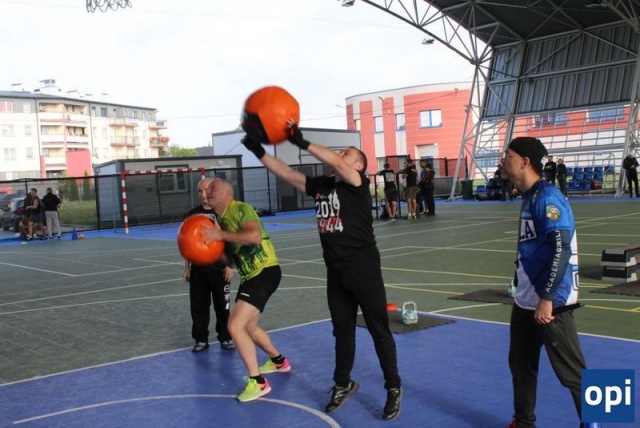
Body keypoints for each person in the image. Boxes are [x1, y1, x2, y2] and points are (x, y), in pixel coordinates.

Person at [241, 126, 402, 421]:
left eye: (347, 153)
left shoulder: (357, 183)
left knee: (379, 329)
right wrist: (258, 150)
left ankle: (393, 387)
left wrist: (299, 140)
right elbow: (286, 173)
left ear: (359, 166)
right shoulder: (322, 185)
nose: (340, 155)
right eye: (341, 152)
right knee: (342, 331)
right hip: (335, 271)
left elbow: (338, 163)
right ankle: (343, 383)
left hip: (363, 268)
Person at [501, 137, 588, 428]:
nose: (503, 160)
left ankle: (599, 423)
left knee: (575, 373)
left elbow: (561, 249)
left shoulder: (548, 197)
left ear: (525, 161)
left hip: (552, 302)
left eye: (508, 155)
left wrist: (547, 297)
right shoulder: (530, 196)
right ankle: (523, 422)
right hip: (526, 300)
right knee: (521, 365)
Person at [205, 178, 290, 403]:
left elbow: (254, 237)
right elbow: (230, 259)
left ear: (227, 194)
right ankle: (279, 361)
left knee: (235, 326)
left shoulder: (241, 209)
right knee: (249, 327)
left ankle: (258, 382)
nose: (207, 191)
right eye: (206, 189)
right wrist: (208, 250)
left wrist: (220, 236)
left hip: (265, 271)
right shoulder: (220, 221)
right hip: (251, 276)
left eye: (213, 188)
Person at [183, 178, 235, 353]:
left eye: (207, 190)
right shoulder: (192, 214)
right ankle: (200, 339)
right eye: (200, 191)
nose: (203, 194)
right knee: (198, 306)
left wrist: (230, 265)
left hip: (220, 269)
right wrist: (186, 267)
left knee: (223, 306)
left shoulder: (222, 212)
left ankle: (225, 337)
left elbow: (230, 241)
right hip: (198, 270)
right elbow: (187, 242)